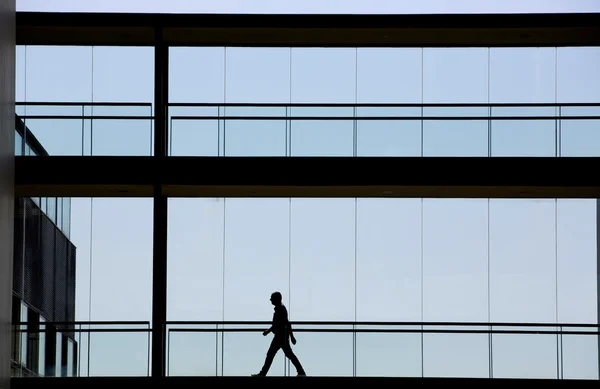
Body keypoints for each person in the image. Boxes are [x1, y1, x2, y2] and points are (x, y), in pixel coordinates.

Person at [252, 291, 306, 377]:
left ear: (276, 299)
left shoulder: (280, 309)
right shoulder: (280, 309)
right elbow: (286, 323)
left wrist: (268, 331)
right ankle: (301, 371)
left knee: (272, 354)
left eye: (272, 299)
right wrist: (291, 336)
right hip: (282, 336)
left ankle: (263, 373)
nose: (271, 300)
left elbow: (279, 324)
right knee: (287, 354)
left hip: (280, 337)